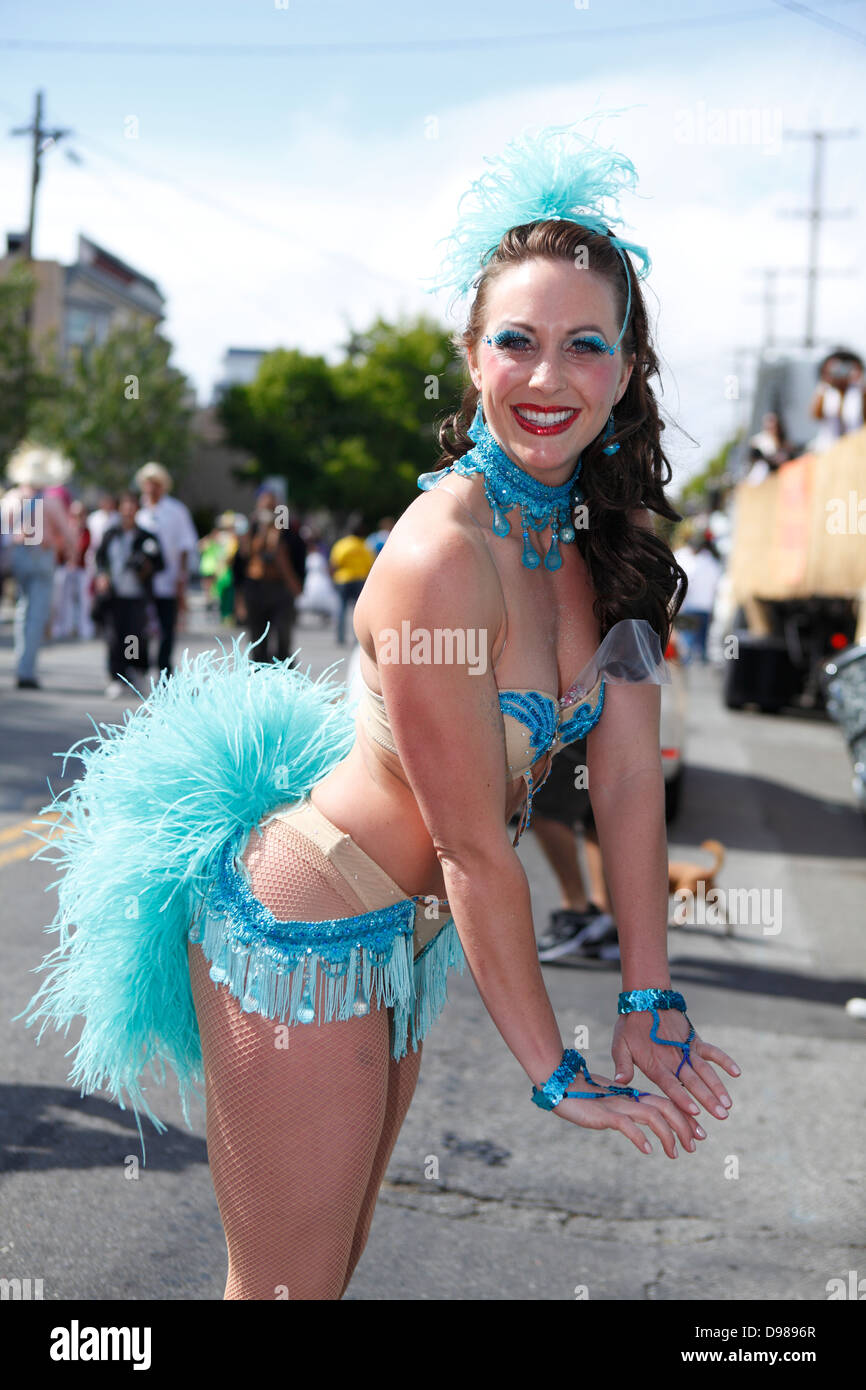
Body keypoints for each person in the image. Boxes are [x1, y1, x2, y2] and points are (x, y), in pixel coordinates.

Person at [20, 121, 740, 1300]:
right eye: (515, 341)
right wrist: (550, 1064)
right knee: (286, 1289)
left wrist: (647, 995)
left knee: (325, 1277)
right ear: (470, 356)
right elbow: (469, 844)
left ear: (624, 368)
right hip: (301, 929)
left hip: (399, 942)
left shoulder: (601, 545)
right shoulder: (436, 553)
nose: (547, 378)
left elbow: (619, 782)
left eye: (583, 345)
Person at [0, 443, 76, 689]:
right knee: (35, 615)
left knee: (24, 611)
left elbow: (6, 533)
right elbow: (69, 534)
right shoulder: (51, 502)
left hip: (19, 558)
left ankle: (23, 665)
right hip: (41, 558)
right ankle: (26, 670)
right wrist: (67, 551)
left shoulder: (11, 498)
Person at [93, 490, 164, 698]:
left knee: (133, 636)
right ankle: (116, 676)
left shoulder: (146, 537)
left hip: (137, 595)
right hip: (114, 595)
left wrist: (146, 566)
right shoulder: (111, 534)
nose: (128, 510)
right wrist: (101, 576)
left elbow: (160, 563)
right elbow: (100, 559)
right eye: (125, 505)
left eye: (132, 506)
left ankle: (135, 672)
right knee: (115, 636)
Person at [134, 462, 199, 676]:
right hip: (141, 582)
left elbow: (184, 545)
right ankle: (137, 666)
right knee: (138, 628)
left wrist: (181, 576)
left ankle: (164, 669)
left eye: (156, 483)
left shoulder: (176, 511)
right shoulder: (138, 512)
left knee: (166, 628)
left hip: (168, 580)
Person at [232, 488, 306, 662]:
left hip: (281, 588)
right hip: (255, 588)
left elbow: (298, 558)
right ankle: (259, 676)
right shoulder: (251, 530)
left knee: (283, 638)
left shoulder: (288, 533)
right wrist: (239, 598)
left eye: (272, 508)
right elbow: (240, 563)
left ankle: (284, 675)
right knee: (257, 640)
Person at [674, 533, 722, 663]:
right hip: (700, 606)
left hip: (693, 606)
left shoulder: (690, 558)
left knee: (690, 639)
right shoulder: (710, 561)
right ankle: (696, 664)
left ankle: (691, 664)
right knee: (696, 640)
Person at [809, 350, 866, 452]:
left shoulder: (858, 392)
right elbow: (815, 415)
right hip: (828, 447)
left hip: (855, 448)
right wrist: (826, 382)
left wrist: (859, 380)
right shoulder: (826, 390)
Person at [329, 525, 375, 644]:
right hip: (359, 579)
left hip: (343, 579)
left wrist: (332, 578)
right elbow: (371, 564)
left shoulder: (342, 544)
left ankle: (340, 637)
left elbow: (334, 563)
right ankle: (358, 638)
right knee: (358, 610)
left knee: (341, 608)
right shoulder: (364, 546)